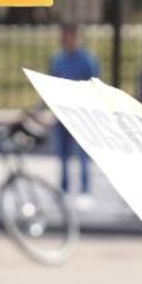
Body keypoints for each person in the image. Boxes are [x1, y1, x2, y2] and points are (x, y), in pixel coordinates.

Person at [48, 22, 100, 196]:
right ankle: (64, 188)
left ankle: (85, 189)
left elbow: (94, 85)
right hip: (61, 114)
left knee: (82, 154)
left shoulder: (87, 59)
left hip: (80, 114)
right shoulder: (58, 59)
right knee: (63, 155)